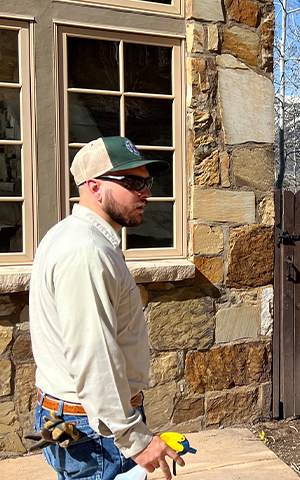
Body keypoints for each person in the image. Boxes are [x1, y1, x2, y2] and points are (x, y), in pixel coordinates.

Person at [29, 136, 184, 480]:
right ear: (95, 187)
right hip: (94, 428)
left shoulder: (72, 236)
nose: (146, 192)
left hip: (81, 417)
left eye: (146, 181)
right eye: (132, 182)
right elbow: (92, 355)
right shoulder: (86, 251)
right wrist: (135, 439)